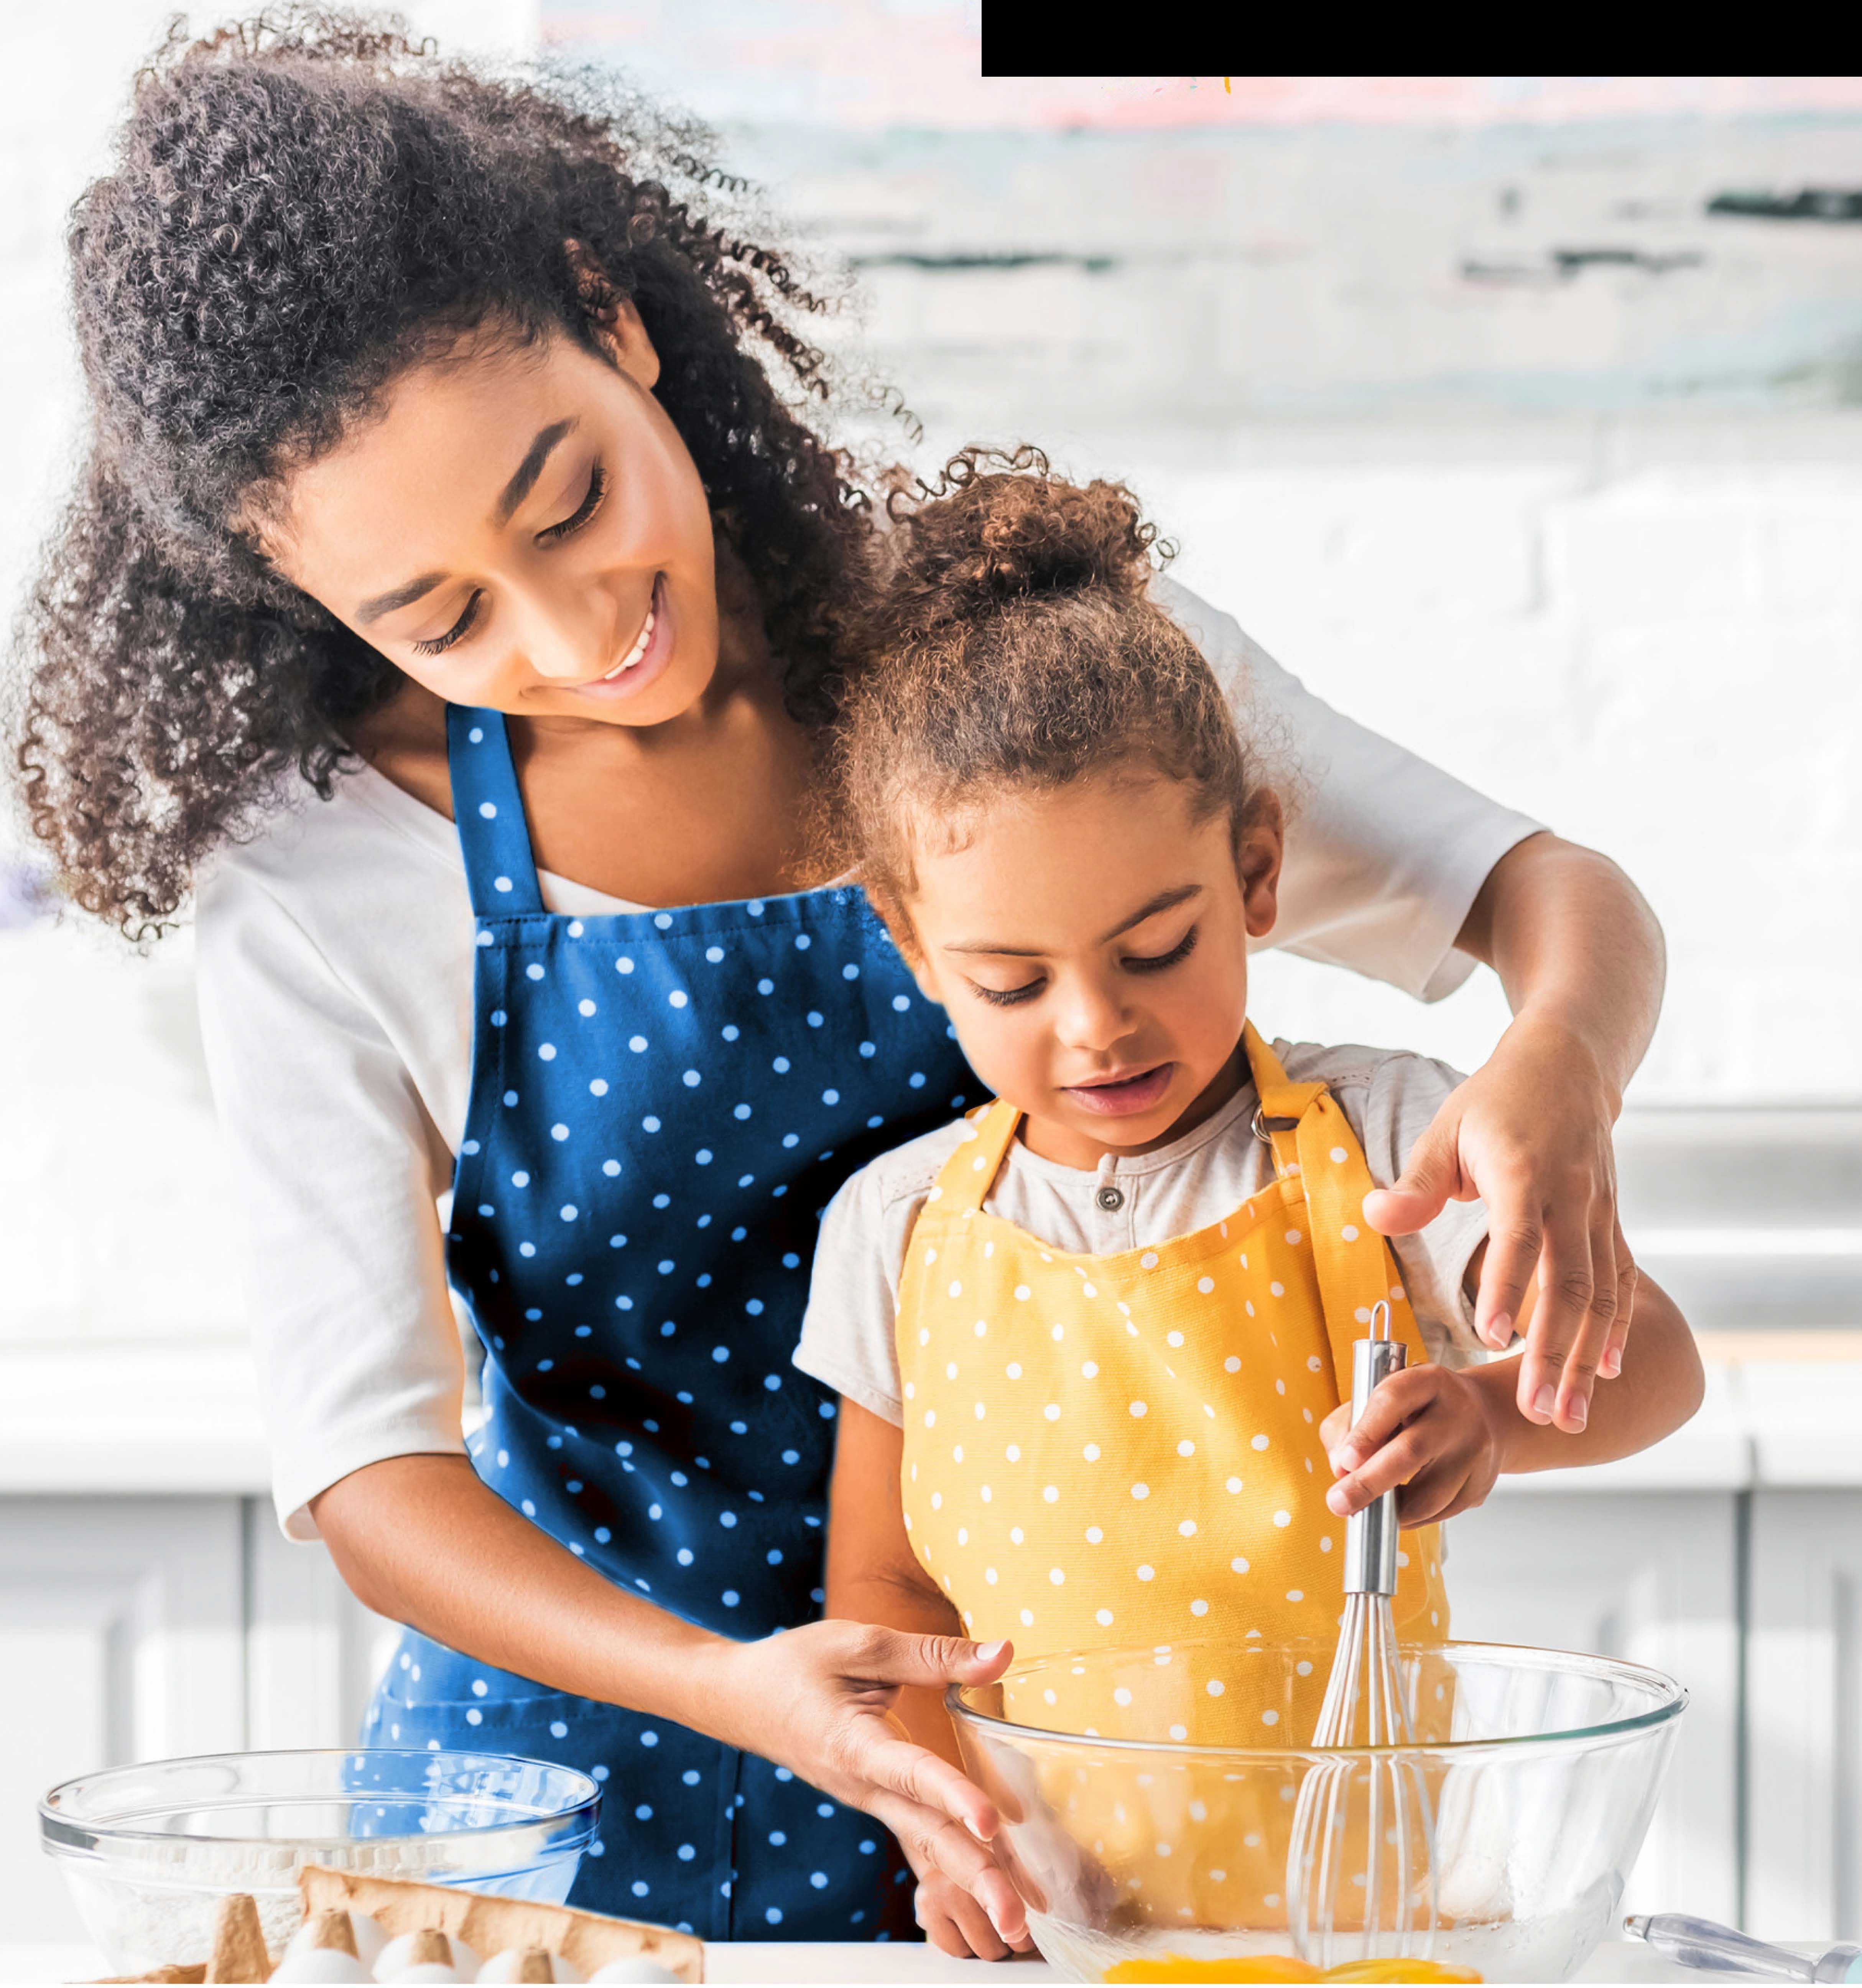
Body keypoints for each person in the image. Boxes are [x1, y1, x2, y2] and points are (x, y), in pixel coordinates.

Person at [13, 16, 1665, 1944]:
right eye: (438, 613)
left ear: (613, 316)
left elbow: (1542, 895)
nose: (571, 629)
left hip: (1055, 1800)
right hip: (565, 1821)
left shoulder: (1023, 674)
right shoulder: (320, 875)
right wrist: (736, 1686)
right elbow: (367, 1469)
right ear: (301, 595)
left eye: (567, 503)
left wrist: (1558, 1058)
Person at [798, 457, 1706, 1956]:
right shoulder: (892, 1228)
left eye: (1156, 946)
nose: (1094, 1026)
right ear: (911, 949)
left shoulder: (1385, 1142)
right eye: (1011, 983)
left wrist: (1491, 1413)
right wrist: (939, 1821)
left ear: (1257, 873)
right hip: (1056, 1939)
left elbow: (1652, 1368)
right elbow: (885, 1586)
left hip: (1365, 1932)